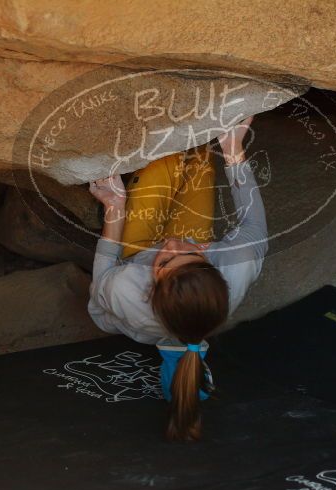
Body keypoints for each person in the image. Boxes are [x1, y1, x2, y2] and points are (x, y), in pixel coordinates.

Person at [87, 115, 267, 441]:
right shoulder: (234, 269)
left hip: (134, 255)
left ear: (150, 288)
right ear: (212, 264)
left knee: (161, 159)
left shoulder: (126, 291)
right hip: (182, 259)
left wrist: (115, 205)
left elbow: (106, 266)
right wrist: (232, 148)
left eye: (165, 261)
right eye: (186, 255)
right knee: (199, 157)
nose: (170, 245)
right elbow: (253, 223)